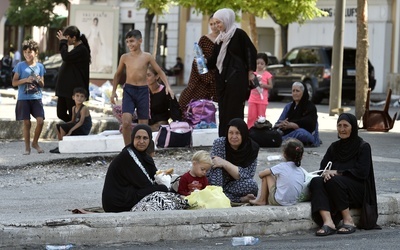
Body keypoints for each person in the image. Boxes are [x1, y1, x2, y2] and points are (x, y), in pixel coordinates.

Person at [310, 113, 379, 236]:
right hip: (335, 187)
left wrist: (336, 172)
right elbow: (322, 169)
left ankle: (348, 220)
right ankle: (328, 222)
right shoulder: (334, 147)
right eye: (339, 125)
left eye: (346, 126)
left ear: (353, 128)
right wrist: (326, 173)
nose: (342, 129)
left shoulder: (363, 147)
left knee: (334, 180)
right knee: (316, 181)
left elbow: (362, 172)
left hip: (357, 190)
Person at [111, 30, 174, 146]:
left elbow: (160, 71)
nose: (129, 44)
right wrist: (113, 91)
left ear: (140, 41)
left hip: (143, 91)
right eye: (127, 42)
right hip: (129, 90)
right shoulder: (124, 57)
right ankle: (128, 149)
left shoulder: (147, 57)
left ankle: (143, 149)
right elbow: (117, 74)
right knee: (126, 122)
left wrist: (168, 87)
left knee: (143, 125)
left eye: (132, 41)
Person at [205, 8, 257, 137]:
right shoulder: (220, 39)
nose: (217, 25)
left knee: (235, 110)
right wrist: (202, 60)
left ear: (226, 20)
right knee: (224, 111)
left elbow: (250, 52)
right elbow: (214, 61)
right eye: (215, 23)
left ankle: (237, 138)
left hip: (236, 80)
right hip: (223, 81)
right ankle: (224, 138)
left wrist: (250, 72)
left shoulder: (239, 34)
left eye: (219, 22)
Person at [102, 124, 169, 212]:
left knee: (163, 188)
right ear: (133, 138)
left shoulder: (145, 156)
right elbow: (147, 183)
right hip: (118, 203)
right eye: (138, 137)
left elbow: (155, 176)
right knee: (162, 189)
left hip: (129, 195)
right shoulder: (129, 155)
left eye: (145, 138)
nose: (141, 141)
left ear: (150, 140)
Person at [207, 118, 259, 203]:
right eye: (230, 133)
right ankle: (238, 199)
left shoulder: (252, 149)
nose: (234, 136)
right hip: (217, 182)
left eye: (237, 133)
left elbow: (247, 175)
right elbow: (215, 165)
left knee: (252, 186)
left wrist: (224, 163)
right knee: (217, 168)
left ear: (244, 134)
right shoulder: (220, 143)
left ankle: (220, 197)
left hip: (235, 185)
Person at [178, 14, 219, 116]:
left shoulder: (225, 39)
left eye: (216, 23)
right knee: (188, 101)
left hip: (219, 77)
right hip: (203, 76)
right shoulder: (204, 39)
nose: (214, 26)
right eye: (211, 24)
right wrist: (207, 77)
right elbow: (198, 59)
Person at [11, 39, 45, 155]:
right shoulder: (20, 66)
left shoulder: (40, 66)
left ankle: (35, 143)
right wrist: (25, 80)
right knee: (27, 123)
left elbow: (42, 84)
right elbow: (14, 83)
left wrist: (38, 79)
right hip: (23, 98)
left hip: (36, 98)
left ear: (35, 52)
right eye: (25, 52)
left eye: (30, 52)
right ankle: (27, 147)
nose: (27, 54)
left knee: (40, 121)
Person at [249, 138, 305, 206]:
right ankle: (263, 199)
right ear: (301, 156)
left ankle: (262, 200)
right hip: (293, 201)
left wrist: (272, 176)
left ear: (284, 154)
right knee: (277, 176)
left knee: (267, 175)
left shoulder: (281, 166)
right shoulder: (301, 171)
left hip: (279, 201)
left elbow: (261, 175)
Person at [55, 25, 91, 123]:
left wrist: (63, 43)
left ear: (74, 38)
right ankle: (73, 125)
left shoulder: (82, 50)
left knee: (73, 114)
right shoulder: (76, 49)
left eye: (67, 38)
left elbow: (66, 57)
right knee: (61, 113)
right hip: (64, 89)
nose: (66, 41)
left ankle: (76, 128)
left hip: (73, 90)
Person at [274, 81, 320, 147]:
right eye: (293, 91)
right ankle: (281, 140)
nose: (295, 93)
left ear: (303, 93)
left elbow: (311, 125)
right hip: (289, 133)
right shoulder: (289, 106)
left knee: (300, 133)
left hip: (306, 134)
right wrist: (282, 124)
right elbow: (277, 124)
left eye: (297, 91)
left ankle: (280, 141)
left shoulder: (310, 106)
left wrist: (294, 125)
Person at [50, 87, 92, 153]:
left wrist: (70, 130)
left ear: (85, 99)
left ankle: (65, 147)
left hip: (83, 128)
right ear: (73, 97)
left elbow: (81, 122)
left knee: (63, 127)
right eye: (77, 96)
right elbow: (73, 121)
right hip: (77, 126)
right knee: (59, 126)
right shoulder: (73, 108)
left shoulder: (84, 108)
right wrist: (64, 125)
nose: (79, 98)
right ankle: (61, 145)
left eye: (82, 96)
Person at [147, 65, 181, 132]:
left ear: (157, 76)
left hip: (160, 126)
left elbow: (175, 112)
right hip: (147, 125)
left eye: (148, 75)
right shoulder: (144, 93)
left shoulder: (166, 92)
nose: (145, 78)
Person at [247, 53, 273, 129]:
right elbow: (248, 84)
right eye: (257, 63)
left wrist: (264, 85)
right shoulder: (253, 73)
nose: (259, 65)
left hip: (262, 100)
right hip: (252, 99)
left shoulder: (267, 74)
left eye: (262, 64)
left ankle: (260, 133)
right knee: (251, 117)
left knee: (261, 118)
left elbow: (270, 86)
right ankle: (250, 131)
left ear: (265, 64)